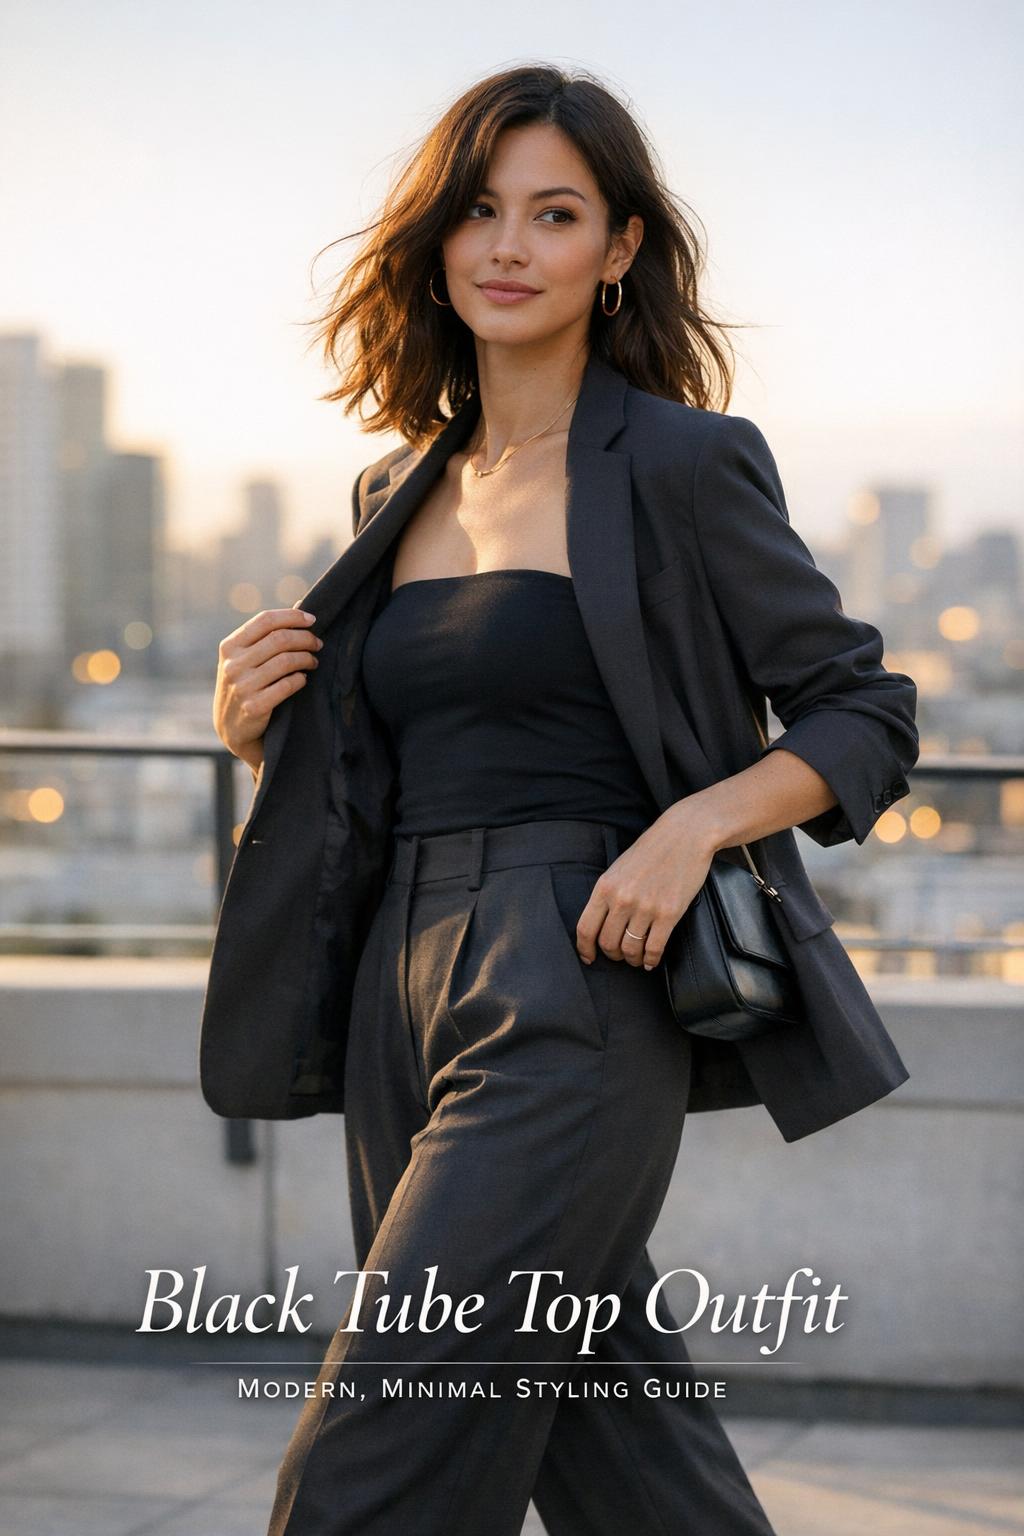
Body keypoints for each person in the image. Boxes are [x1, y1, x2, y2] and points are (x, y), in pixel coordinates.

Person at [208, 64, 918, 1536]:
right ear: (438, 241)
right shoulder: (391, 493)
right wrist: (255, 733)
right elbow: (386, 777)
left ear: (620, 251)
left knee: (373, 1458)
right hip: (397, 988)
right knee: (625, 1454)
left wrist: (693, 821)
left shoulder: (681, 461)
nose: (509, 246)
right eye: (478, 211)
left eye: (555, 212)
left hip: (580, 980)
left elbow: (866, 710)